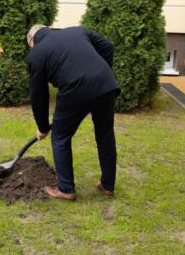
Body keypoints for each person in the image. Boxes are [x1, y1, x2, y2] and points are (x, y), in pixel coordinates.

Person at [26, 25, 120, 201]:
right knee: (105, 135)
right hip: (106, 85)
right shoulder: (77, 31)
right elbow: (108, 47)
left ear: (32, 40)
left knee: (60, 137)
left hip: (75, 88)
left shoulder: (36, 54)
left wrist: (43, 127)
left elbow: (39, 94)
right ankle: (108, 186)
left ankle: (66, 189)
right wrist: (97, 82)